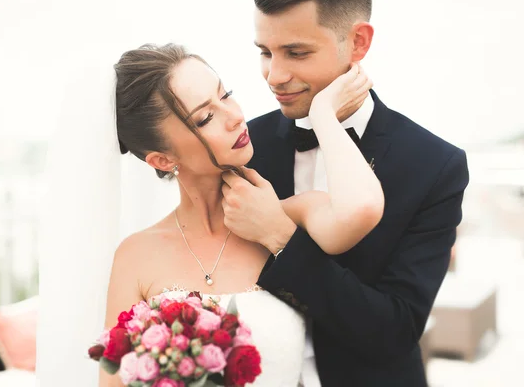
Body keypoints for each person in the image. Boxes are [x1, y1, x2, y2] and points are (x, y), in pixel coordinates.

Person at [219, 0, 470, 386]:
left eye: (296, 53)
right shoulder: (245, 148)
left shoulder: (435, 166)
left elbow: (395, 331)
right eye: (265, 52)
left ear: (358, 42)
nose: (274, 76)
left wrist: (282, 237)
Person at [100, 43, 381, 386]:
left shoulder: (289, 216)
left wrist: (323, 115)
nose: (235, 116)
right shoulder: (135, 256)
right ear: (162, 159)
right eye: (205, 117)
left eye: (226, 95)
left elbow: (363, 209)